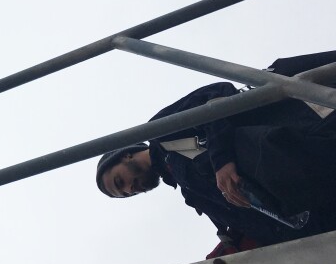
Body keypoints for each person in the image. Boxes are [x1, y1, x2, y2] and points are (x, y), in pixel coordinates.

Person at [95, 51, 336, 247]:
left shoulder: (161, 132)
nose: (129, 189)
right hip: (319, 199)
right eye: (126, 194)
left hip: (311, 135)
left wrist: (222, 160)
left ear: (125, 155)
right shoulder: (189, 192)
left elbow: (216, 94)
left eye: (119, 182)